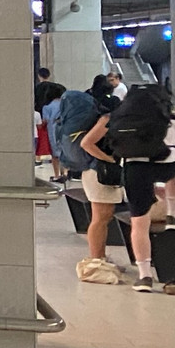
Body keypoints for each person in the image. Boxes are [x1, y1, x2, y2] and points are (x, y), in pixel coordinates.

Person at [82, 80, 175, 293]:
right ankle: (171, 213)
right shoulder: (167, 118)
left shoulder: (115, 117)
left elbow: (87, 142)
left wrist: (112, 159)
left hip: (135, 168)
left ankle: (144, 277)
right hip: (167, 164)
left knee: (139, 224)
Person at [58, 75, 123, 284]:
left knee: (103, 218)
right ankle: (96, 260)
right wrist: (110, 159)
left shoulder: (100, 117)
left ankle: (100, 257)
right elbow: (87, 143)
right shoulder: (106, 119)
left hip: (94, 171)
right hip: (98, 172)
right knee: (100, 218)